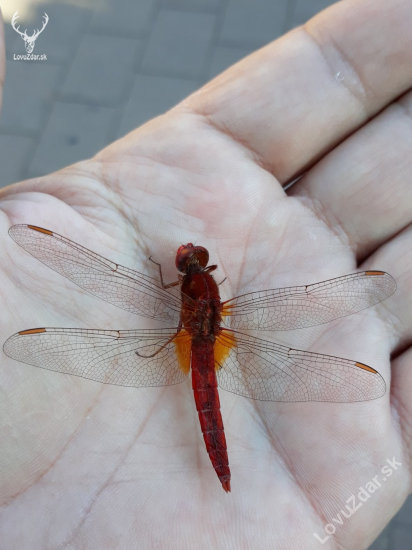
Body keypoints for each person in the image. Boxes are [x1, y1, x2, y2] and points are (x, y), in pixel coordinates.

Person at [0, 0, 411, 548]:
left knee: (200, 387)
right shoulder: (212, 299)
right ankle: (223, 465)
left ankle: (219, 463)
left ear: (187, 271)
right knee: (208, 385)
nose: (187, 264)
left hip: (193, 342)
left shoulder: (182, 295)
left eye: (185, 263)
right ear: (205, 274)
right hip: (209, 341)